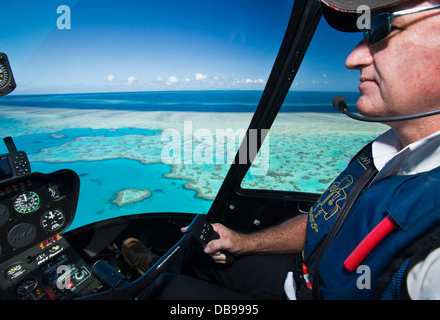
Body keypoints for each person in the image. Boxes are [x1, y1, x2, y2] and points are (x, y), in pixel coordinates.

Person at [123, 0, 440, 300]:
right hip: (302, 277)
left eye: (382, 28)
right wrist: (245, 243)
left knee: (161, 291)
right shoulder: (382, 151)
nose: (352, 58)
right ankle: (150, 264)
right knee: (199, 255)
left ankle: (148, 277)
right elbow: (324, 220)